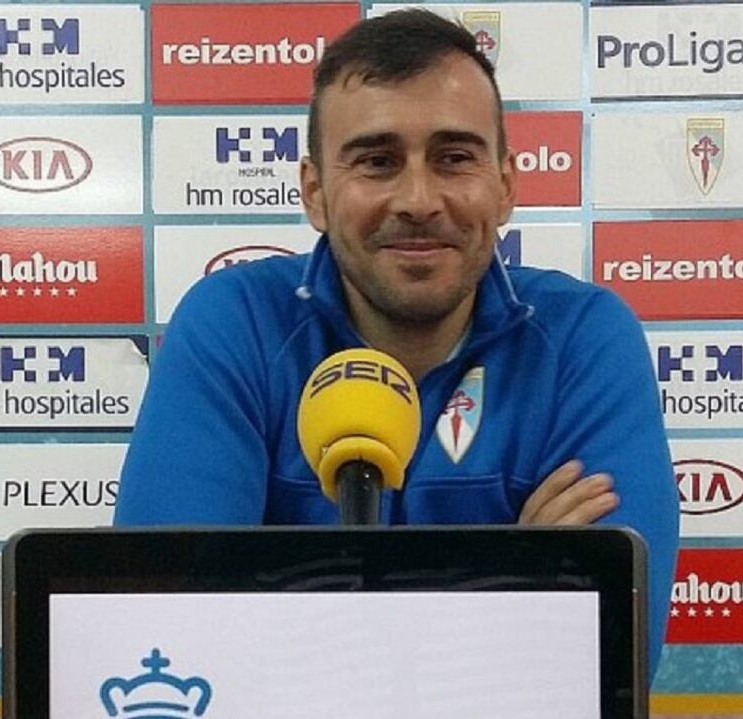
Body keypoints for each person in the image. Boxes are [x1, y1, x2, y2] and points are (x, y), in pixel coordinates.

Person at [116, 9, 678, 674]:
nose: (418, 197)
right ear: (316, 193)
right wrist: (515, 579)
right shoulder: (232, 324)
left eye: (454, 158)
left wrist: (284, 600)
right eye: (378, 161)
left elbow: (603, 661)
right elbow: (174, 629)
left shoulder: (586, 338)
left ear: (505, 186)